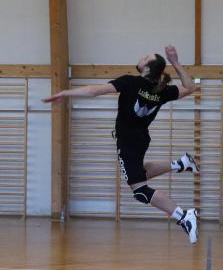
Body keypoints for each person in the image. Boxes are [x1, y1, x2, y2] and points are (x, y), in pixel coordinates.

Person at [43, 45, 199, 244]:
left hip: (128, 141)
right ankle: (181, 163)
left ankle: (184, 216)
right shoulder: (161, 90)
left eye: (145, 57)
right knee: (139, 174)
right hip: (140, 140)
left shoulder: (130, 82)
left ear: (147, 68)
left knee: (140, 191)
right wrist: (175, 62)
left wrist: (65, 93)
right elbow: (190, 87)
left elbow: (95, 91)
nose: (141, 57)